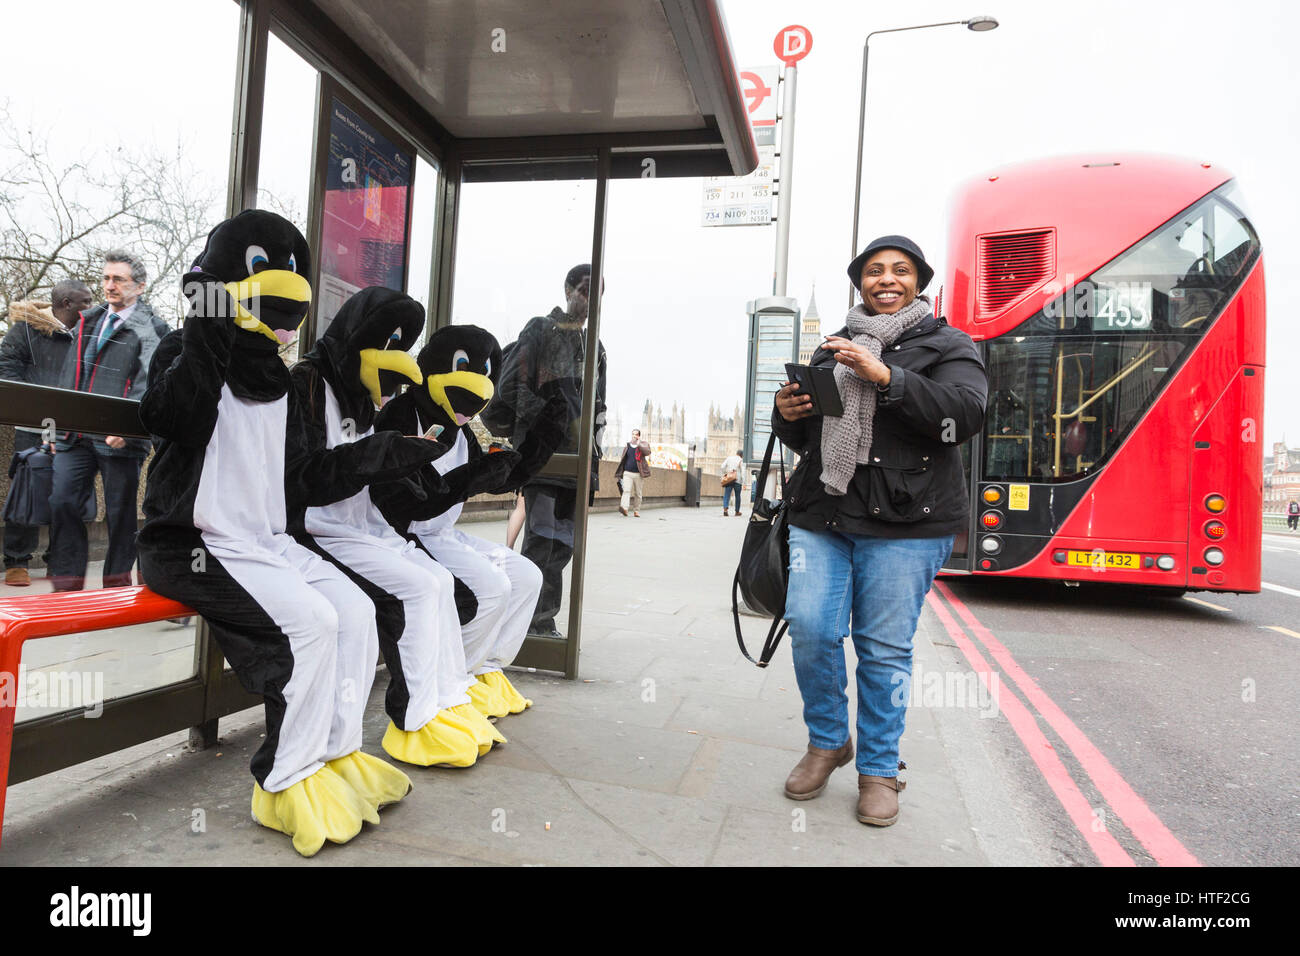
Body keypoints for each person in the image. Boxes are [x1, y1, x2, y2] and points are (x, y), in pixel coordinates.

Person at [773, 235, 986, 827]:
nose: (885, 279)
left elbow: (963, 416)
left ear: (919, 280)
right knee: (812, 629)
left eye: (899, 270)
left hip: (908, 524)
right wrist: (787, 415)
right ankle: (827, 741)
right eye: (873, 271)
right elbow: (808, 434)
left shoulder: (949, 345)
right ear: (859, 282)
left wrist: (889, 378)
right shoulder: (832, 348)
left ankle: (878, 768)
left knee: (883, 650)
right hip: (827, 514)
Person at [481, 263, 607, 640]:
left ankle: (540, 623)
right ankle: (526, 626)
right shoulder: (539, 330)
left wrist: (593, 465)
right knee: (541, 542)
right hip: (545, 460)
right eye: (584, 290)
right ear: (568, 290)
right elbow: (508, 389)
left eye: (596, 293)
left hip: (577, 464)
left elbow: (598, 408)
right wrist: (549, 429)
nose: (589, 300)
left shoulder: (595, 347)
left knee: (561, 548)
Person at [48, 252, 169, 590]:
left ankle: (115, 585)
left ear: (140, 286)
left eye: (119, 280)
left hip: (121, 437)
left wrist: (126, 425)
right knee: (61, 501)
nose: (110, 286)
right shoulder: (88, 320)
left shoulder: (154, 328)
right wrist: (55, 425)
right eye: (106, 279)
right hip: (75, 434)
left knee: (120, 515)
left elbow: (150, 381)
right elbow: (69, 374)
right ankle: (67, 585)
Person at [0, 282, 94, 586]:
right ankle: (16, 561)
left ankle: (59, 561)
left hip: (75, 429)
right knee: (28, 489)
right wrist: (32, 408)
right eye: (86, 302)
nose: (92, 307)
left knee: (68, 496)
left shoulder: (88, 334)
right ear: (67, 303)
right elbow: (6, 370)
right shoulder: (25, 330)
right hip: (34, 425)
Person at [615, 428, 651, 516]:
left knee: (638, 493)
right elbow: (623, 458)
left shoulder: (643, 444)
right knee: (626, 491)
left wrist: (639, 445)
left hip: (639, 474)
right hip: (627, 473)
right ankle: (624, 509)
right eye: (633, 434)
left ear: (639, 436)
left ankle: (636, 510)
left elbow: (648, 452)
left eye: (636, 434)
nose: (634, 436)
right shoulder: (627, 445)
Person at [720, 448, 743, 516]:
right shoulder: (741, 460)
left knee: (727, 495)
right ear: (742, 455)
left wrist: (726, 473)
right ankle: (737, 511)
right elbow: (743, 472)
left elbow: (722, 467)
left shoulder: (729, 458)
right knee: (737, 496)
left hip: (729, 479)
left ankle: (725, 509)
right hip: (738, 480)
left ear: (736, 453)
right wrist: (743, 482)